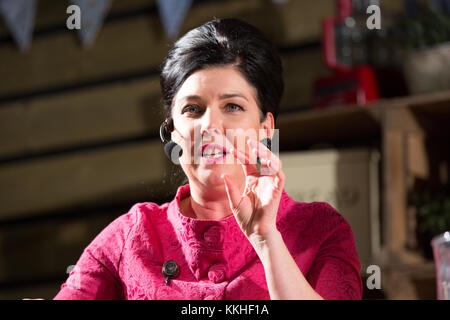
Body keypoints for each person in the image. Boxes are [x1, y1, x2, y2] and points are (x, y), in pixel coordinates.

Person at [54, 18, 362, 300]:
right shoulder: (129, 237)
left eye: (232, 107)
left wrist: (266, 239)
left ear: (266, 128)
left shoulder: (321, 230)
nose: (210, 126)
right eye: (193, 109)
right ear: (172, 131)